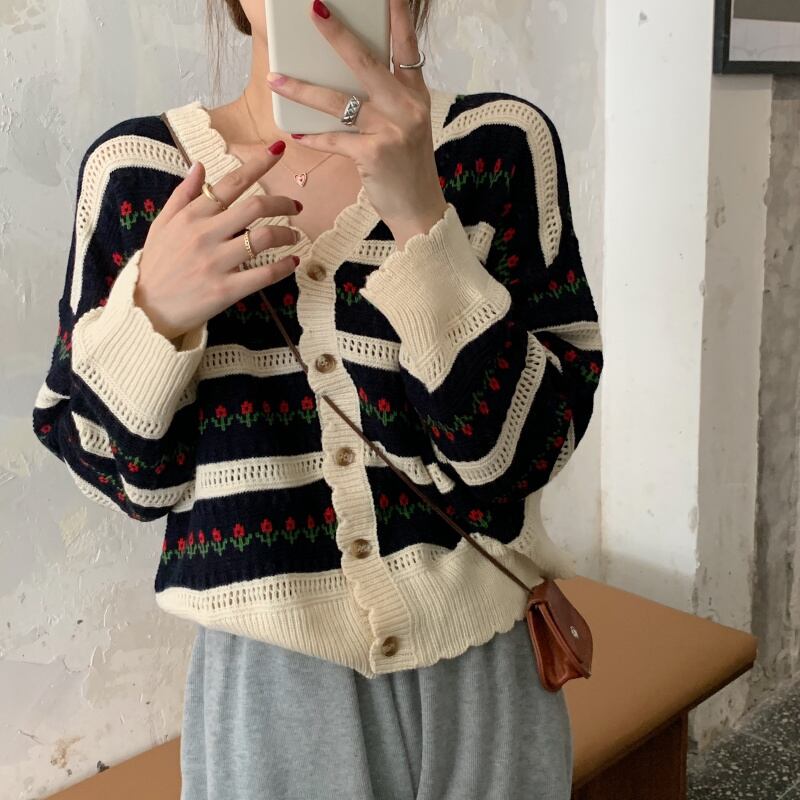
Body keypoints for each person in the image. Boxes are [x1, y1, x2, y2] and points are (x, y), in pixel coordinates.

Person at [31, 0, 603, 797]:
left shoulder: (499, 144)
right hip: (269, 689)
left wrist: (421, 216)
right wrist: (153, 315)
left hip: (486, 669)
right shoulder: (140, 175)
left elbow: (523, 456)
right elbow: (127, 480)